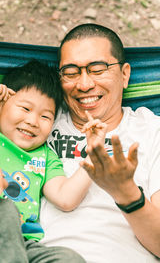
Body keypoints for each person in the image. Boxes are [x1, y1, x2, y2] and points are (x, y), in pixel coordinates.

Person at [0, 59, 106, 263]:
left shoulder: (46, 156)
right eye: (25, 109)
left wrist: (94, 153)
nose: (33, 121)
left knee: (68, 258)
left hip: (23, 246)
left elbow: (66, 198)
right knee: (0, 210)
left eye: (45, 117)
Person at [38, 23, 160, 263]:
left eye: (97, 69)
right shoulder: (37, 123)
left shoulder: (152, 131)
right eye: (71, 72)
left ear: (124, 74)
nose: (84, 85)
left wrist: (126, 193)